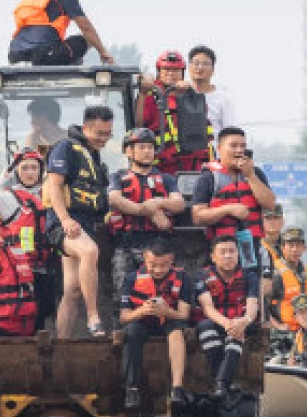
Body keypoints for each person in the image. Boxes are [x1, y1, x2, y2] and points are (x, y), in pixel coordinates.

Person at [43, 105, 113, 338]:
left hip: (85, 223)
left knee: (71, 290)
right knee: (90, 252)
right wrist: (64, 220)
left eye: (108, 134)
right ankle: (94, 316)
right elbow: (54, 186)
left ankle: (61, 342)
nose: (104, 139)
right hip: (63, 224)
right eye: (99, 133)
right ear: (85, 128)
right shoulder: (66, 148)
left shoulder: (93, 156)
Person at [107, 128, 186, 317]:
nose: (147, 151)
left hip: (156, 244)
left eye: (150, 147)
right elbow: (115, 200)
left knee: (160, 290)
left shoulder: (166, 179)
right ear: (128, 151)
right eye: (141, 147)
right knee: (121, 290)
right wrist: (148, 211)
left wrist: (158, 202)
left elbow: (179, 203)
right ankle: (121, 330)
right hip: (126, 243)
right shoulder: (117, 177)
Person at [0, 149, 55, 330]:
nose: (30, 173)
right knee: (24, 311)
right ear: (17, 171)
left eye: (34, 168)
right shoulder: (8, 197)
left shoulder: (49, 194)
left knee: (45, 310)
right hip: (18, 268)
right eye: (25, 168)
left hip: (44, 264)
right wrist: (4, 175)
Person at [119, 236, 192, 409]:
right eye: (153, 265)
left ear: (171, 261)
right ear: (145, 258)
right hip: (142, 321)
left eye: (163, 265)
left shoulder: (182, 278)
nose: (158, 270)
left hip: (170, 320)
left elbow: (184, 315)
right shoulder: (131, 278)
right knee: (131, 333)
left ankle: (177, 388)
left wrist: (167, 311)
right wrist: (142, 311)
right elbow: (124, 317)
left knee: (176, 332)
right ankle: (132, 389)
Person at [192, 126, 276, 259]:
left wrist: (250, 176)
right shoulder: (208, 178)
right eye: (233, 146)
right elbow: (198, 217)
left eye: (243, 146)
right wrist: (228, 209)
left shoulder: (256, 173)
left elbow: (270, 204)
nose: (239, 150)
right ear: (219, 148)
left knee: (252, 278)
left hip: (251, 248)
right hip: (221, 250)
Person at [196, 236, 259, 397]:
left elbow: (252, 305)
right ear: (213, 256)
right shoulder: (203, 276)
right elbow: (207, 308)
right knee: (205, 327)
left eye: (232, 251)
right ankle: (222, 382)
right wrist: (227, 323)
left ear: (238, 254)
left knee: (237, 332)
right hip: (217, 321)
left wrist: (244, 321)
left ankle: (221, 385)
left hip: (241, 320)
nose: (228, 256)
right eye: (222, 252)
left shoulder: (249, 276)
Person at [135, 50, 214, 175]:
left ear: (182, 73)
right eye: (166, 69)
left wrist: (188, 91)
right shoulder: (151, 97)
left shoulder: (193, 96)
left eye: (175, 70)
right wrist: (143, 92)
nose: (170, 73)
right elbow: (138, 125)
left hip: (195, 167)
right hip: (162, 168)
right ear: (158, 72)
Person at [270, 228, 307, 333]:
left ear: (304, 248)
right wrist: (278, 326)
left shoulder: (306, 270)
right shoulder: (275, 272)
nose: (294, 249)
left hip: (305, 330)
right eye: (291, 245)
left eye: (298, 245)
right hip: (283, 333)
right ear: (283, 248)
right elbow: (262, 305)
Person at [186, 45, 234, 141]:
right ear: (189, 67)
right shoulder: (180, 94)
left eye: (205, 64)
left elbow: (231, 131)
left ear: (213, 70)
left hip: (214, 153)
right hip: (185, 153)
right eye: (196, 63)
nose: (200, 67)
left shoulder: (223, 99)